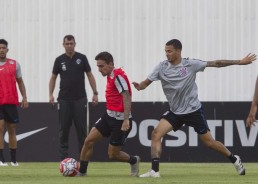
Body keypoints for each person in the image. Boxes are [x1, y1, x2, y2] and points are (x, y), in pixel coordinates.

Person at [132, 39, 257, 177]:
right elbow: (146, 82)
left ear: (178, 51)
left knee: (210, 143)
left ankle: (234, 158)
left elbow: (216, 63)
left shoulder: (191, 64)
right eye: (165, 51)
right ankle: (154, 171)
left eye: (169, 51)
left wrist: (239, 62)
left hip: (193, 111)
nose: (166, 54)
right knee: (156, 133)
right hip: (175, 112)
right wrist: (141, 86)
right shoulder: (161, 67)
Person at [77, 51, 140, 176]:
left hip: (121, 121)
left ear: (110, 64)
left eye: (101, 66)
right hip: (109, 117)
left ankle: (133, 160)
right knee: (88, 141)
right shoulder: (110, 75)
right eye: (98, 66)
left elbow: (126, 96)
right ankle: (82, 173)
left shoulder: (118, 76)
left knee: (113, 155)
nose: (99, 69)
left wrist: (126, 119)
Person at [49, 35, 99, 161]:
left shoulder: (82, 58)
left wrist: (95, 93)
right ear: (63, 45)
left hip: (80, 99)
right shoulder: (59, 60)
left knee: (82, 131)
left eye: (71, 43)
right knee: (63, 131)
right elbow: (53, 77)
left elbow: (90, 75)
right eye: (67, 44)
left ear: (75, 44)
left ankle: (83, 160)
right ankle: (63, 160)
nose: (69, 46)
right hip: (64, 100)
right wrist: (50, 94)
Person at [0, 39, 28, 166]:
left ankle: (13, 160)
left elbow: (20, 82)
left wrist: (24, 98)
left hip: (11, 100)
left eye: (4, 48)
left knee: (12, 129)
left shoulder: (14, 64)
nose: (2, 50)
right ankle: (1, 160)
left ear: (7, 49)